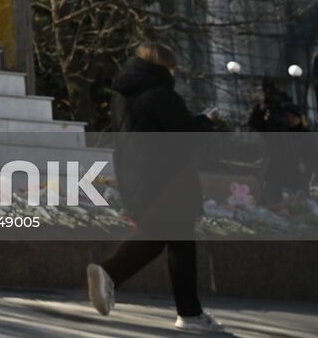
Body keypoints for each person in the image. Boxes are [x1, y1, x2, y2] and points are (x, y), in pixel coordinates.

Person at [87, 41, 225, 333]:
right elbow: (184, 137)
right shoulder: (161, 94)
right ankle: (110, 273)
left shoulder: (124, 95)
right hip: (169, 178)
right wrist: (205, 122)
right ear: (163, 67)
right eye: (173, 69)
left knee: (172, 239)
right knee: (175, 242)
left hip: (138, 176)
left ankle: (188, 312)